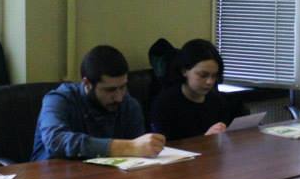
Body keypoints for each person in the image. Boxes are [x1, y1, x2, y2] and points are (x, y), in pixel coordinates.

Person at [31, 45, 165, 160]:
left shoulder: (129, 105)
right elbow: (55, 140)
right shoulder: (58, 99)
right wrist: (127, 147)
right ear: (87, 84)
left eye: (123, 87)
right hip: (50, 176)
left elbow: (139, 156)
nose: (119, 97)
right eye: (110, 90)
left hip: (106, 177)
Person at [150, 39, 238, 140]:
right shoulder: (165, 104)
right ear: (184, 71)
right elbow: (165, 144)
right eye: (203, 75)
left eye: (214, 76)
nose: (210, 82)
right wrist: (205, 139)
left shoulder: (218, 102)